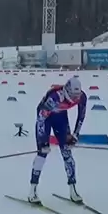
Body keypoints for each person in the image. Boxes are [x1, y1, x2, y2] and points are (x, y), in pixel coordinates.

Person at [28, 76, 87, 204]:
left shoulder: (82, 96)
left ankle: (73, 189)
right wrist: (43, 141)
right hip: (45, 119)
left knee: (67, 153)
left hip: (60, 117)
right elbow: (41, 119)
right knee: (42, 154)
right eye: (73, 95)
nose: (76, 99)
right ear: (66, 91)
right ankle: (32, 190)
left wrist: (75, 135)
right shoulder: (55, 97)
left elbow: (81, 116)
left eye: (77, 96)